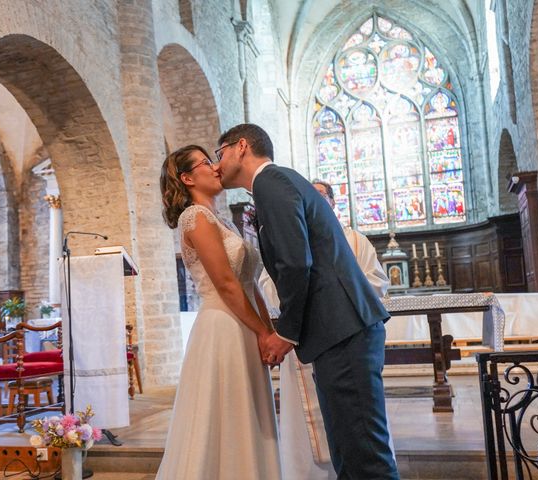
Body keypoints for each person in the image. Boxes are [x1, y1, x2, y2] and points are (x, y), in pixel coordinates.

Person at [216, 124, 399, 479]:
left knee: (366, 456)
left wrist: (285, 333)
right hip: (339, 332)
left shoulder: (271, 183)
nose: (216, 163)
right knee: (348, 451)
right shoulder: (277, 184)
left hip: (343, 331)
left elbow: (296, 263)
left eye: (219, 152)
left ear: (241, 147)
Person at [157, 145, 281, 479]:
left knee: (247, 414)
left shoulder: (222, 220)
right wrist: (262, 332)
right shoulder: (194, 218)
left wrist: (270, 332)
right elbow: (226, 283)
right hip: (222, 325)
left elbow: (250, 283)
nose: (215, 167)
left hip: (244, 322)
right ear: (187, 178)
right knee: (226, 414)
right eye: (206, 162)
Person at [259, 179, 393, 480]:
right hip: (304, 338)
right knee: (332, 433)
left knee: (360, 434)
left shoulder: (355, 240)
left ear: (332, 203)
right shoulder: (288, 239)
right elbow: (268, 286)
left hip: (347, 335)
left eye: (321, 197)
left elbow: (374, 283)